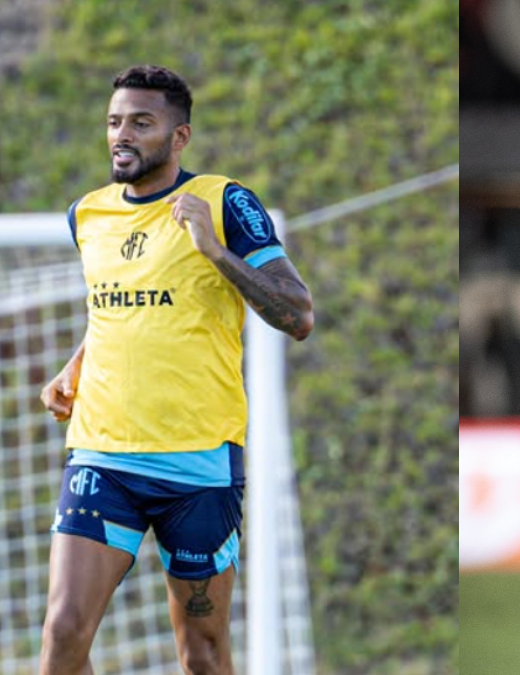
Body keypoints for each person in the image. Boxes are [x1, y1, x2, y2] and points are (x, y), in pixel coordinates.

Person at [37, 65, 314, 675]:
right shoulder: (86, 216)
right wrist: (75, 364)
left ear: (179, 136)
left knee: (204, 656)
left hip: (199, 465)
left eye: (141, 122)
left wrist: (214, 250)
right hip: (103, 454)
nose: (122, 135)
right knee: (62, 634)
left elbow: (297, 314)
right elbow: (120, 306)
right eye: (114, 122)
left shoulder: (224, 202)